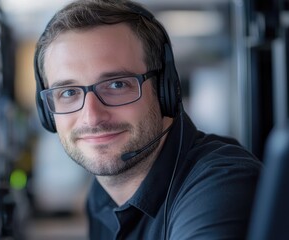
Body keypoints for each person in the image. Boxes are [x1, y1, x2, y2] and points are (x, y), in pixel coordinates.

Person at [33, 0, 263, 239]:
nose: (92, 117)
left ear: (165, 90)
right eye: (68, 92)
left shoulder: (222, 186)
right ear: (46, 110)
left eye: (117, 84)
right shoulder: (101, 195)